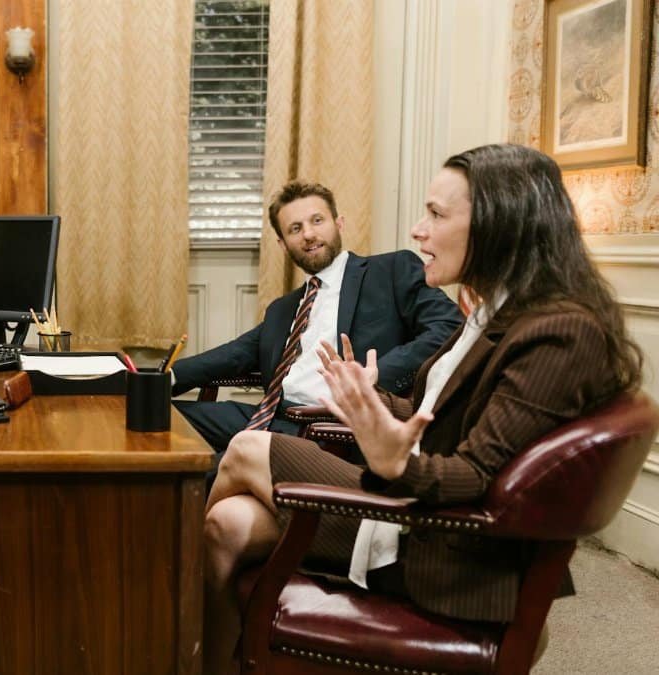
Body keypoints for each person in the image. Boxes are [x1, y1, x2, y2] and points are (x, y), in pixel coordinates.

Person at [200, 143, 644, 675]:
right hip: (417, 518)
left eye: (436, 214)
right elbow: (440, 410)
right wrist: (371, 401)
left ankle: (184, 634)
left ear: (498, 224)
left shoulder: (557, 332)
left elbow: (474, 476)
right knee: (226, 524)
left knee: (247, 446)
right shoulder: (496, 314)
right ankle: (209, 662)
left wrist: (393, 461)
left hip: (436, 547)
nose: (418, 230)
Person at [172, 181, 462, 451]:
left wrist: (372, 379)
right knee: (158, 416)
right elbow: (234, 354)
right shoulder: (282, 309)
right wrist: (164, 377)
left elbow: (449, 327)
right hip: (271, 416)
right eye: (295, 228)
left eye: (317, 221)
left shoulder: (390, 271)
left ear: (339, 223)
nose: (308, 234)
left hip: (332, 430)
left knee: (208, 470)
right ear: (283, 244)